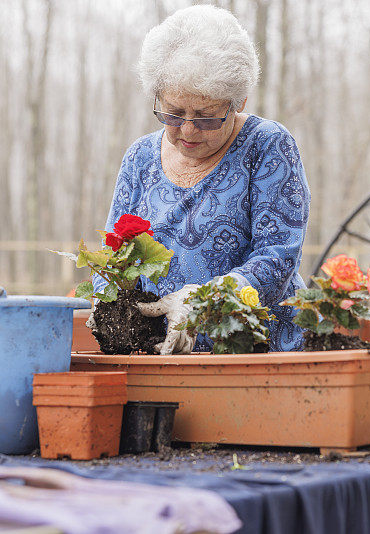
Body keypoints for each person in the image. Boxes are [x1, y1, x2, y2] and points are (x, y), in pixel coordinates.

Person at [93, 4, 310, 354]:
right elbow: (112, 255)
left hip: (253, 353)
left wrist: (205, 299)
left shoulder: (267, 145)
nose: (189, 130)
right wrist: (106, 304)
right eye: (173, 113)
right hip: (160, 354)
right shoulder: (140, 157)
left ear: (238, 102)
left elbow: (278, 255)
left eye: (207, 117)